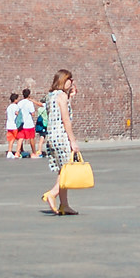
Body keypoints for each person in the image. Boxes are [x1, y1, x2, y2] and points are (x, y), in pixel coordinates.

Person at [39, 70, 82, 216]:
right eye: (70, 79)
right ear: (64, 80)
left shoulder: (51, 96)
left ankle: (65, 205)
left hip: (51, 136)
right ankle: (52, 194)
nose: (72, 82)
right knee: (68, 171)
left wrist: (70, 97)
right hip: (62, 136)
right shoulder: (62, 96)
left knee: (62, 170)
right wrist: (73, 141)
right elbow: (65, 119)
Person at [5, 93, 24, 159]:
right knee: (20, 138)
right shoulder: (16, 106)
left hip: (9, 125)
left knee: (11, 139)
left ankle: (9, 152)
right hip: (14, 125)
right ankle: (17, 152)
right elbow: (17, 114)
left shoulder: (9, 107)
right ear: (15, 99)